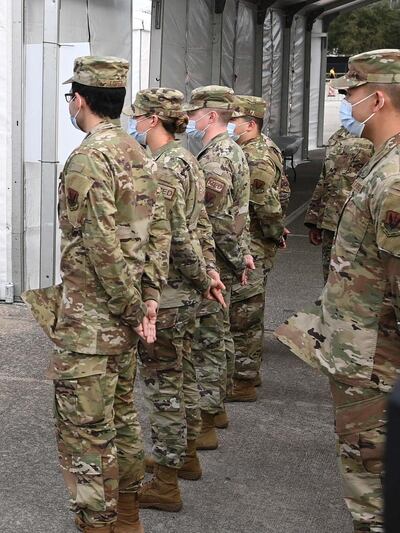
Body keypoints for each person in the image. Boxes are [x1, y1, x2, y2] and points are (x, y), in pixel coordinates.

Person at [23, 56, 162, 533]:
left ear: (79, 100)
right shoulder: (137, 151)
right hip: (124, 321)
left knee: (86, 434)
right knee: (122, 418)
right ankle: (126, 517)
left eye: (69, 97)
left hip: (91, 325)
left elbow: (101, 245)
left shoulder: (88, 157)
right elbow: (155, 233)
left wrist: (129, 305)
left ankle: (99, 523)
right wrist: (147, 301)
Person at [276, 48, 400, 533]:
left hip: (376, 363)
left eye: (350, 94)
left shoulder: (393, 179)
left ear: (379, 97)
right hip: (366, 357)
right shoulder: (383, 164)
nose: (347, 105)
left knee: (373, 495)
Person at [127, 88, 226, 513]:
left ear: (152, 120)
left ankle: (166, 482)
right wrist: (207, 274)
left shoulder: (164, 168)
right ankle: (182, 457)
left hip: (167, 295)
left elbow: (178, 237)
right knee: (180, 377)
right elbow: (201, 226)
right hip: (184, 292)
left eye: (138, 116)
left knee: (164, 386)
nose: (134, 123)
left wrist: (202, 275)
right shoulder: (187, 158)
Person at [184, 85, 251, 447]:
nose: (190, 119)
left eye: (195, 113)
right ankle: (217, 408)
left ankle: (206, 420)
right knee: (219, 334)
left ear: (212, 116)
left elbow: (215, 220)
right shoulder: (230, 150)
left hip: (217, 261)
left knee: (208, 340)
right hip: (228, 256)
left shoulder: (216, 159)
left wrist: (234, 259)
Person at [227, 95, 287, 401]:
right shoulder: (255, 148)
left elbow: (265, 203)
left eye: (233, 120)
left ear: (250, 124)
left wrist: (276, 233)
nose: (228, 124)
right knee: (245, 311)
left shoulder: (255, 156)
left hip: (252, 243)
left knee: (244, 316)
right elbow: (283, 190)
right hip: (251, 241)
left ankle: (243, 381)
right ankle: (245, 373)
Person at [305, 123, 373, 282]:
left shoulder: (378, 134)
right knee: (331, 280)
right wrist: (313, 221)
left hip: (360, 225)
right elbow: (325, 178)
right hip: (331, 223)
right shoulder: (338, 136)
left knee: (360, 284)